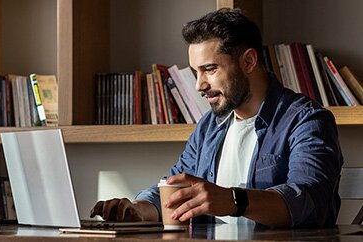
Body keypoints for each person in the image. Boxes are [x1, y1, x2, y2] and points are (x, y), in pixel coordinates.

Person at [90, 8, 343, 228]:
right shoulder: (209, 127)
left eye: (209, 69)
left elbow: (310, 200)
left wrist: (233, 200)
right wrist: (139, 208)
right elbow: (176, 186)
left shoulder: (306, 120)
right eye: (195, 72)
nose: (200, 85)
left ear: (249, 61)